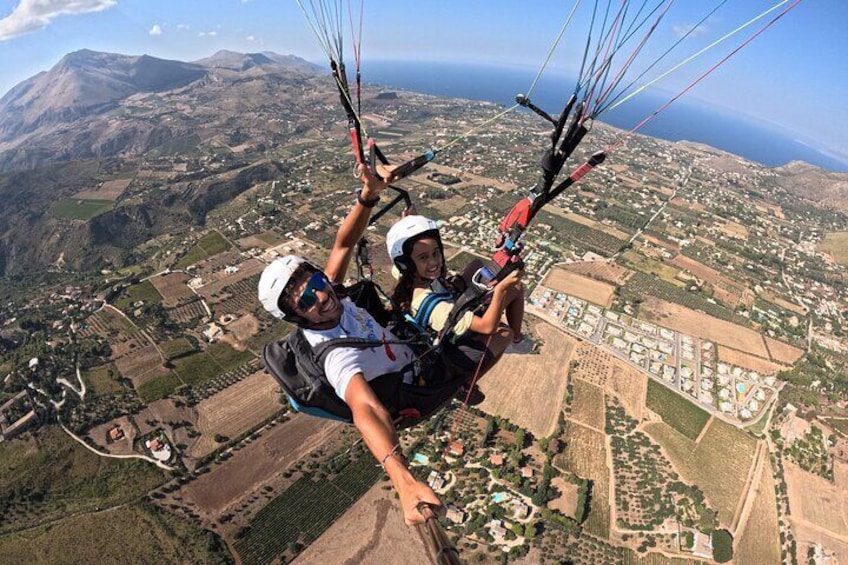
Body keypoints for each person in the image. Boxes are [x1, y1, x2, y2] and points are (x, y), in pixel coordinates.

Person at [257, 165, 442, 526]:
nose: (322, 296)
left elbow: (344, 242)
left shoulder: (332, 293)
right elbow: (365, 409)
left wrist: (368, 195)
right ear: (297, 317)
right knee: (485, 337)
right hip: (411, 384)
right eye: (307, 300)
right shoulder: (334, 355)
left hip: (404, 349)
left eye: (316, 281)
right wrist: (403, 483)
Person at [386, 215, 525, 378]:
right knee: (505, 331)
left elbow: (407, 252)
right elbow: (488, 327)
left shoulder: (406, 275)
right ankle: (469, 384)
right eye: (424, 257)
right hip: (450, 348)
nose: (433, 262)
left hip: (445, 300)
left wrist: (409, 221)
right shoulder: (436, 308)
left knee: (476, 265)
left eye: (435, 253)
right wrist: (500, 290)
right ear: (407, 264)